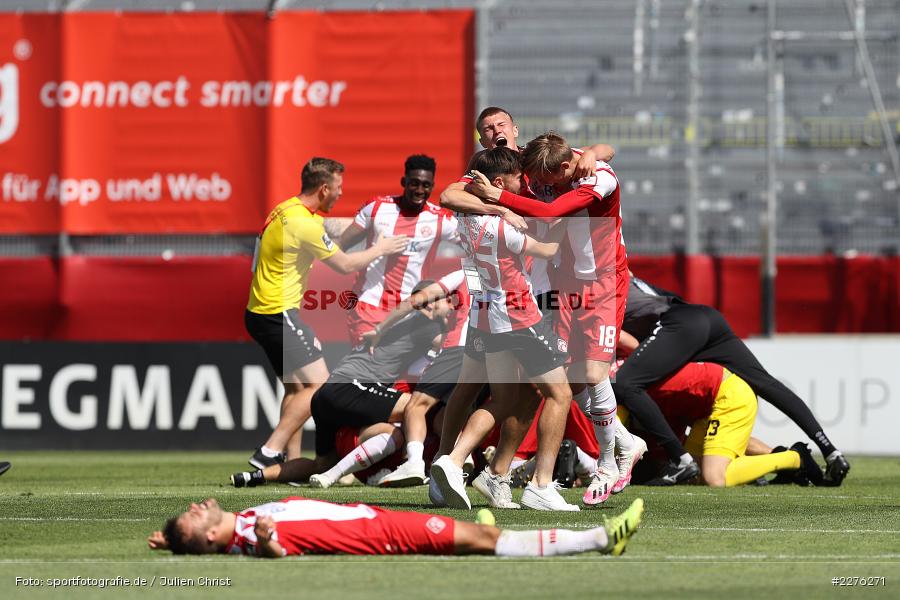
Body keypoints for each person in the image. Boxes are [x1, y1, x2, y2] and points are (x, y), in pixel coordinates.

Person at [465, 132, 635, 506]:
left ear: (563, 168)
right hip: (560, 283)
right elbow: (452, 193)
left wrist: (498, 199)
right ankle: (504, 474)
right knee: (552, 386)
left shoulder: (599, 179)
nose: (541, 188)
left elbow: (549, 209)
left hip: (602, 282)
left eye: (547, 182)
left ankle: (608, 460)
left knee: (588, 375)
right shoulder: (539, 159)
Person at [432, 147, 578, 512]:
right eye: (516, 178)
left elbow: (452, 196)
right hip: (516, 316)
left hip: (485, 315)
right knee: (560, 394)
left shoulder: (463, 220)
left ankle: (452, 461)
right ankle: (542, 485)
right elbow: (546, 250)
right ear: (497, 182)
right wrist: (566, 215)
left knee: (502, 400)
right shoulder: (504, 226)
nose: (521, 183)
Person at [244, 157, 408, 470]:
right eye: (337, 188)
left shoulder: (287, 210)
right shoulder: (304, 225)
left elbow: (331, 228)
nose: (340, 194)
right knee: (318, 388)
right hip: (279, 313)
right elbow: (345, 265)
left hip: (260, 313)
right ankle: (268, 451)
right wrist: (383, 248)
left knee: (296, 390)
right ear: (323, 188)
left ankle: (288, 463)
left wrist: (374, 223)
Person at [613, 275, 850, 486]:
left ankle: (681, 460)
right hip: (704, 318)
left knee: (625, 383)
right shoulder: (618, 273)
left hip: (679, 325)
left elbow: (626, 341)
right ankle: (830, 451)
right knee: (766, 384)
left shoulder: (596, 282)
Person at [233, 279, 451, 488]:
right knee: (416, 408)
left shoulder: (400, 321)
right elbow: (453, 346)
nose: (445, 306)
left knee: (320, 463)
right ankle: (409, 464)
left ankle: (255, 476)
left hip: (327, 394)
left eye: (440, 300)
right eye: (442, 300)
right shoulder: (425, 324)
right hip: (351, 386)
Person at [148, 496, 644, 558]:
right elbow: (276, 552)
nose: (195, 506)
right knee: (488, 540)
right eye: (193, 517)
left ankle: (471, 532)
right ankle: (602, 539)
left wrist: (173, 539)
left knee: (474, 534)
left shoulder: (233, 530)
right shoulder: (247, 538)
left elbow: (197, 538)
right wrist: (265, 540)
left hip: (372, 520)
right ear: (210, 536)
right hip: (378, 537)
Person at [610, 359, 824, 487]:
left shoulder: (620, 389)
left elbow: (610, 438)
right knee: (695, 474)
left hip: (726, 395)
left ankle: (795, 458)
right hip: (712, 400)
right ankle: (774, 459)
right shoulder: (624, 375)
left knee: (714, 477)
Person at [338, 155, 460, 348]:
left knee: (404, 377)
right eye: (414, 183)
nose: (420, 190)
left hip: (410, 311)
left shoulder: (440, 219)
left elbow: (476, 245)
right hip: (368, 306)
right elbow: (340, 248)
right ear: (404, 182)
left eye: (426, 185)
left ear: (432, 186)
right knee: (367, 372)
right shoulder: (377, 208)